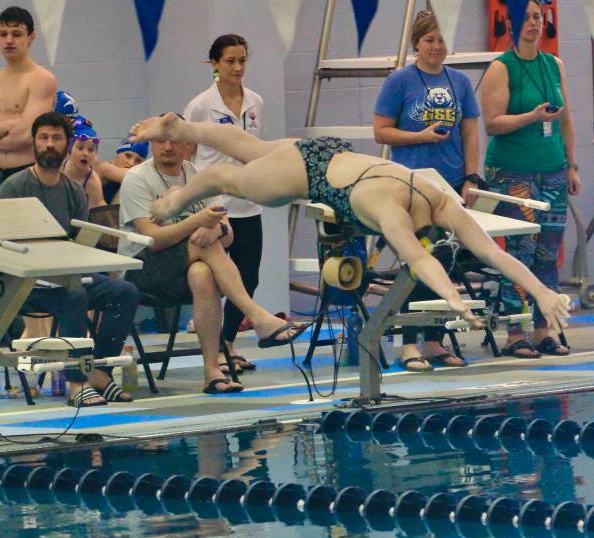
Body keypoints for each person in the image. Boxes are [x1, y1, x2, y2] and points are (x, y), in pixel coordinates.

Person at [127, 114, 571, 337]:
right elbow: (417, 259)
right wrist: (454, 298)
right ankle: (179, 197)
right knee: (228, 178)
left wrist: (545, 292)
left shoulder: (437, 198)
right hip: (307, 173)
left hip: (329, 150)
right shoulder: (393, 212)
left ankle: (182, 127)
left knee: (252, 147)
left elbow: (493, 252)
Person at [118, 117, 306, 395]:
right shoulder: (137, 179)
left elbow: (228, 233)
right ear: (151, 142)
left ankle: (212, 373)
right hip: (143, 271)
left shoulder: (198, 176)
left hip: (186, 268)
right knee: (205, 245)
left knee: (203, 273)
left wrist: (214, 229)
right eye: (161, 140)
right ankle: (257, 316)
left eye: (175, 140)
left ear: (189, 144)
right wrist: (199, 223)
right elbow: (153, 240)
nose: (168, 146)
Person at [0, 112, 140, 407]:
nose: (49, 144)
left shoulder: (74, 190)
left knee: (124, 292)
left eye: (56, 138)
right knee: (74, 295)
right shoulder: (14, 186)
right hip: (28, 283)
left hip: (68, 275)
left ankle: (99, 371)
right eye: (44, 138)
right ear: (34, 143)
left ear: (66, 144)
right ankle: (77, 383)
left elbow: (78, 242)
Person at [374, 11, 482, 371]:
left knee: (446, 261)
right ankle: (408, 343)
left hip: (448, 184)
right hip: (410, 184)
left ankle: (434, 341)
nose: (436, 47)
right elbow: (382, 132)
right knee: (417, 260)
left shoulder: (461, 82)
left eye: (441, 40)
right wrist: (420, 136)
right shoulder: (399, 81)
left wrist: (471, 177)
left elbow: (469, 132)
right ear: (416, 43)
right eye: (429, 40)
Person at [479, 0, 580, 358]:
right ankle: (515, 331)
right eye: (527, 18)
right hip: (513, 172)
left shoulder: (554, 65)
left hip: (552, 169)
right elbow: (492, 123)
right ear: (512, 24)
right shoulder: (500, 68)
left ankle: (543, 329)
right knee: (519, 253)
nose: (533, 24)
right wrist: (531, 116)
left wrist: (572, 166)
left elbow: (565, 118)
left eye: (539, 17)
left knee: (547, 253)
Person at [183, 34, 266, 373]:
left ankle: (229, 342)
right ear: (214, 64)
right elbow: (188, 156)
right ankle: (214, 347)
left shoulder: (256, 102)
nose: (237, 67)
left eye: (242, 60)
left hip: (248, 201)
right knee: (216, 277)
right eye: (230, 61)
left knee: (249, 277)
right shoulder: (201, 105)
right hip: (214, 205)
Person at [0, 6, 57, 199]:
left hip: (32, 174)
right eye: (3, 34)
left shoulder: (42, 79)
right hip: (0, 176)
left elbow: (25, 136)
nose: (9, 40)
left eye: (16, 34)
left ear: (31, 37)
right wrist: (10, 123)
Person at [97, 138, 148, 205]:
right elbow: (133, 176)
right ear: (118, 154)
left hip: (113, 212)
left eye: (138, 161)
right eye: (128, 156)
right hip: (96, 213)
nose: (131, 163)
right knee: (131, 181)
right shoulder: (105, 167)